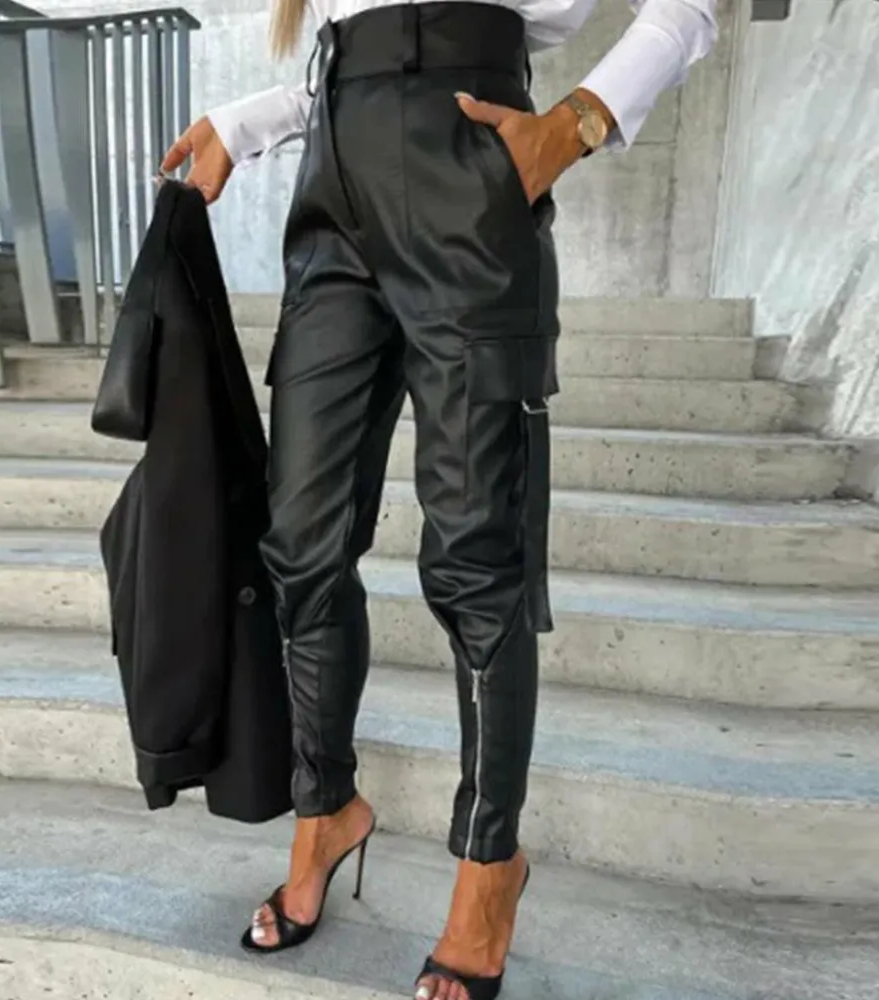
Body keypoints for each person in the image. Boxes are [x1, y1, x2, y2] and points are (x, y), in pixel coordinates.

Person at [162, 1, 716, 997]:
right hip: (332, 204)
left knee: (474, 563)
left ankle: (489, 865)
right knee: (299, 545)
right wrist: (244, 125)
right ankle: (324, 809)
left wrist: (580, 118)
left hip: (472, 190)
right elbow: (368, 51)